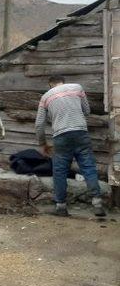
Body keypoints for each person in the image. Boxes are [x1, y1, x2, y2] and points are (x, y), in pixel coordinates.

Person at [35, 74, 105, 217]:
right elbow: (87, 111)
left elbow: (38, 124)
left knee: (60, 171)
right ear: (63, 82)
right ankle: (97, 203)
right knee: (89, 167)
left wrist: (42, 143)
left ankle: (61, 206)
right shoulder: (77, 88)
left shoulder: (46, 97)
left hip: (61, 136)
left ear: (50, 84)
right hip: (81, 133)